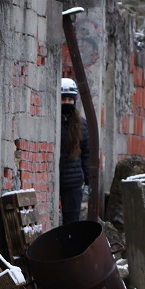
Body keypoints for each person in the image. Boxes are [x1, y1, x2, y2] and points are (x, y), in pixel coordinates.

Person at [59, 77, 89, 225]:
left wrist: (88, 181)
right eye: (63, 99)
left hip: (74, 183)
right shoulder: (54, 122)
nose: (67, 103)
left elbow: (87, 154)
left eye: (70, 100)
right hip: (57, 180)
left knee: (72, 223)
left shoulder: (81, 125)